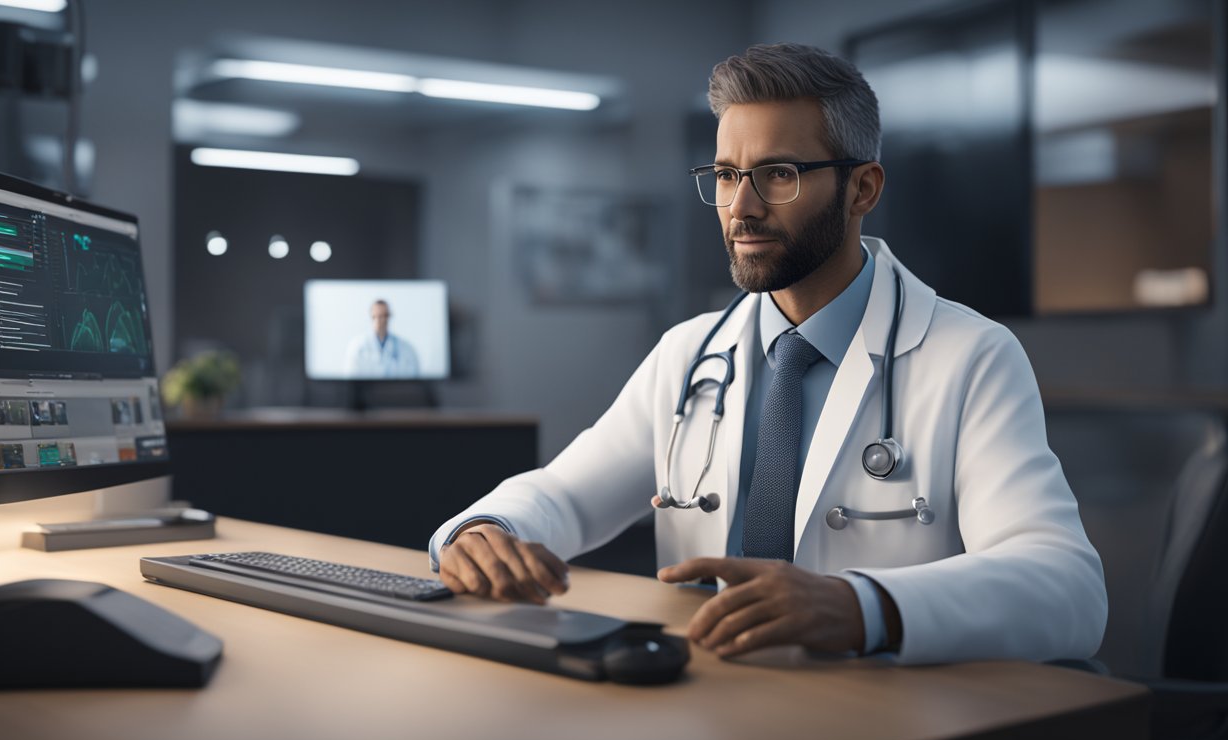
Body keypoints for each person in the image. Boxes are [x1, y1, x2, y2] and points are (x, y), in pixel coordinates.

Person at [428, 43, 1106, 665]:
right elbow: (567, 496)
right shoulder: (690, 353)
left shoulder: (971, 356)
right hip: (715, 707)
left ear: (863, 189)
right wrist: (488, 528)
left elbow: (1067, 586)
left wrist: (861, 605)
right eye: (726, 175)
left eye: (778, 173)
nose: (741, 208)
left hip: (886, 719)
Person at [343, 299, 420, 378]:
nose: (380, 320)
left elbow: (413, 380)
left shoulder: (406, 349)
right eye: (376, 316)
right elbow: (351, 380)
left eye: (384, 316)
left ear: (389, 316)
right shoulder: (357, 347)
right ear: (371, 317)